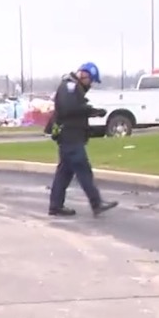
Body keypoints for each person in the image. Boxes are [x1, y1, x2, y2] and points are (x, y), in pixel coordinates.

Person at [47, 62, 119, 217]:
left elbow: (74, 110)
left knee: (64, 173)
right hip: (70, 137)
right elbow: (69, 109)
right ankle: (96, 203)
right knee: (83, 170)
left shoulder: (72, 87)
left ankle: (55, 206)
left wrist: (91, 113)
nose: (91, 84)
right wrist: (90, 111)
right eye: (91, 80)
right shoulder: (69, 87)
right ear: (84, 75)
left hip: (70, 136)